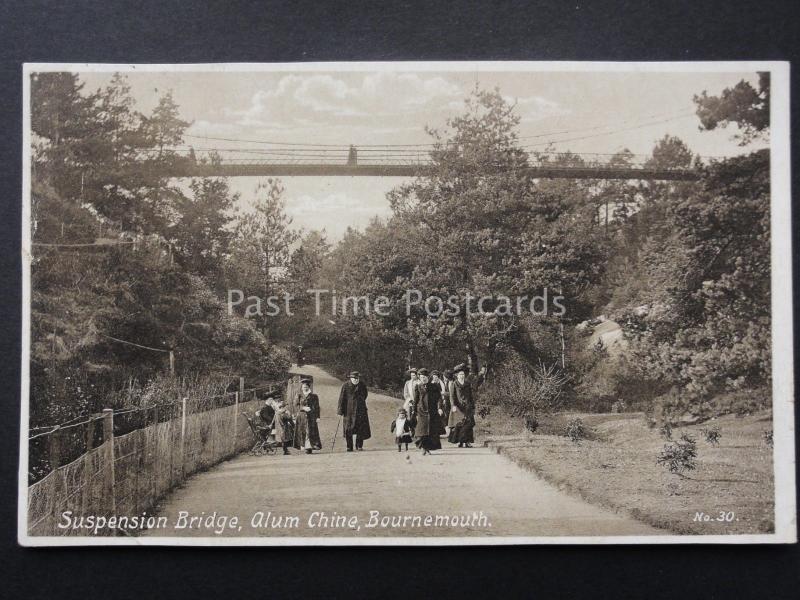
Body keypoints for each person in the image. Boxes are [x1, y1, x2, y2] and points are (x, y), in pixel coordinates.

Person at [448, 364, 486, 448]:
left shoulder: (467, 383)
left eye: (463, 374)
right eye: (460, 374)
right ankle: (461, 442)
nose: (462, 376)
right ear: (457, 375)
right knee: (460, 424)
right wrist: (453, 405)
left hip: (468, 406)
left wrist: (472, 405)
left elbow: (470, 395)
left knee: (469, 424)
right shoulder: (454, 384)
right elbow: (452, 396)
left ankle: (468, 441)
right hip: (458, 407)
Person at [411, 368, 444, 455]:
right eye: (421, 377)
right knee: (422, 430)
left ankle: (427, 448)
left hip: (432, 411)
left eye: (425, 377)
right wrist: (414, 411)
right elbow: (416, 400)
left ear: (428, 377)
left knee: (430, 430)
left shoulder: (434, 386)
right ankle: (423, 448)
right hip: (421, 411)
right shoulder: (417, 387)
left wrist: (440, 408)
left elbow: (439, 398)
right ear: (419, 378)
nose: (423, 379)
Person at [337, 371, 371, 451]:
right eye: (354, 378)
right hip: (349, 411)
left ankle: (359, 445)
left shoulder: (362, 385)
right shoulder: (345, 385)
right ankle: (349, 446)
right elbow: (342, 398)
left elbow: (365, 395)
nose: (356, 380)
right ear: (350, 378)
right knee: (348, 428)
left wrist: (360, 402)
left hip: (361, 410)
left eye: (357, 378)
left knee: (360, 428)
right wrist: (340, 410)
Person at [259, 390, 294, 455]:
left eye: (272, 400)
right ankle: (288, 444)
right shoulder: (265, 408)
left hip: (274, 424)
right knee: (287, 425)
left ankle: (288, 443)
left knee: (287, 423)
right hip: (270, 425)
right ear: (268, 400)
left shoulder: (269, 407)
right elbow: (269, 419)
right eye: (271, 400)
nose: (272, 401)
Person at [293, 378, 321, 454]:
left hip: (311, 416)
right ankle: (303, 446)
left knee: (310, 431)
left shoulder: (314, 396)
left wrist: (318, 417)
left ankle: (310, 447)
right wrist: (303, 408)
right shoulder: (298, 395)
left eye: (306, 387)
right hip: (301, 416)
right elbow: (295, 405)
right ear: (301, 387)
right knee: (303, 431)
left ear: (309, 387)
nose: (305, 388)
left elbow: (317, 407)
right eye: (303, 387)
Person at [402, 368, 419, 432]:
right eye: (411, 375)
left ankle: (417, 430)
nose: (412, 377)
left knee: (417, 416)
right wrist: (409, 399)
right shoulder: (408, 383)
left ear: (417, 375)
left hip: (418, 402)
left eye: (414, 375)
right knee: (409, 415)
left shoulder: (419, 382)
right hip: (410, 402)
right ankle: (411, 429)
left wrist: (416, 401)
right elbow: (405, 393)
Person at [440, 369, 454, 434]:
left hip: (452, 402)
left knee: (451, 416)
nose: (444, 378)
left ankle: (451, 431)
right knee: (446, 415)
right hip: (447, 402)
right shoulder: (447, 382)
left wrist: (443, 393)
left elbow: (452, 393)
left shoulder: (452, 382)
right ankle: (449, 430)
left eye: (444, 377)